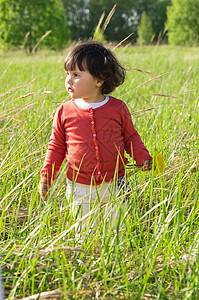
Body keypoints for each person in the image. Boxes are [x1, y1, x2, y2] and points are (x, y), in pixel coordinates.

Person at [39, 41, 152, 234]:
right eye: (67, 74)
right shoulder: (64, 111)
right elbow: (56, 147)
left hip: (116, 183)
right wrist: (47, 177)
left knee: (117, 233)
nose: (69, 80)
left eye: (76, 75)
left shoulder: (117, 108)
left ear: (99, 80)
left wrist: (142, 157)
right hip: (79, 187)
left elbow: (130, 137)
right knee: (85, 234)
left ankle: (115, 262)